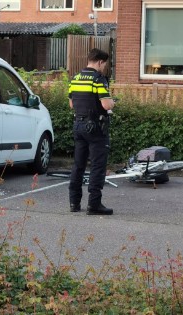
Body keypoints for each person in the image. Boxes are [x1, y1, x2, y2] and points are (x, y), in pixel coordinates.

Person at [68, 48, 115, 215]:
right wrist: (112, 103)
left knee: (78, 165)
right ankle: (94, 205)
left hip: (78, 126)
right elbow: (106, 105)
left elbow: (72, 104)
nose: (104, 68)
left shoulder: (75, 78)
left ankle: (74, 203)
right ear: (100, 62)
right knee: (97, 166)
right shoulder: (98, 79)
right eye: (104, 64)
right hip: (95, 127)